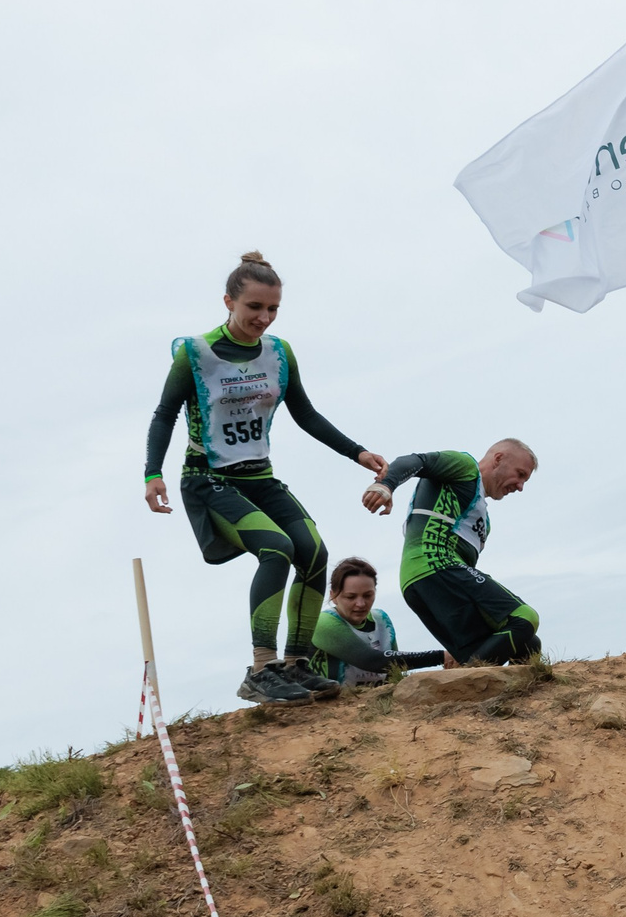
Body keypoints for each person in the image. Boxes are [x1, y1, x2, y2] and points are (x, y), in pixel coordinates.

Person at [145, 251, 388, 706]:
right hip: (209, 478)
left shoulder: (279, 353)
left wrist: (358, 453)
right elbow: (164, 415)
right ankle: (262, 668)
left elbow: (306, 415)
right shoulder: (194, 354)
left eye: (273, 309)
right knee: (276, 548)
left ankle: (297, 664)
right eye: (254, 307)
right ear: (228, 302)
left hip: (260, 477)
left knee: (314, 551)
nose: (264, 317)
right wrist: (152, 473)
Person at [361, 441, 542, 666]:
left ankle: (484, 690)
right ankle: (471, 677)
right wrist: (386, 485)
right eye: (520, 474)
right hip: (435, 564)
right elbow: (416, 460)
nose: (521, 486)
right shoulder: (465, 467)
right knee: (524, 618)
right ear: (498, 459)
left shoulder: (483, 520)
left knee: (529, 646)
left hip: (422, 585)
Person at [311, 558, 448, 687]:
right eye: (350, 597)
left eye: (368, 595)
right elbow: (372, 660)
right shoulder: (323, 622)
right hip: (333, 708)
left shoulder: (381, 619)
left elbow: (395, 671)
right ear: (333, 596)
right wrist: (442, 656)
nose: (360, 604)